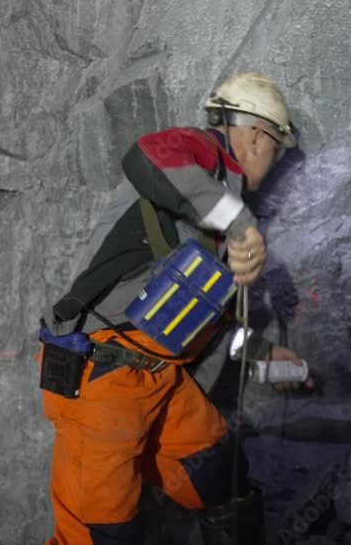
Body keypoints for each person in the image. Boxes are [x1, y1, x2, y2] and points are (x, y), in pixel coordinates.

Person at [38, 71, 314, 545]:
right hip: (101, 377)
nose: (273, 162)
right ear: (256, 136)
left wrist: (264, 355)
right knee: (103, 534)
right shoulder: (203, 154)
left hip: (161, 379)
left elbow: (199, 323)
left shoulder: (215, 210)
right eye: (276, 147)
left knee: (221, 476)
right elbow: (147, 155)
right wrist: (241, 223)